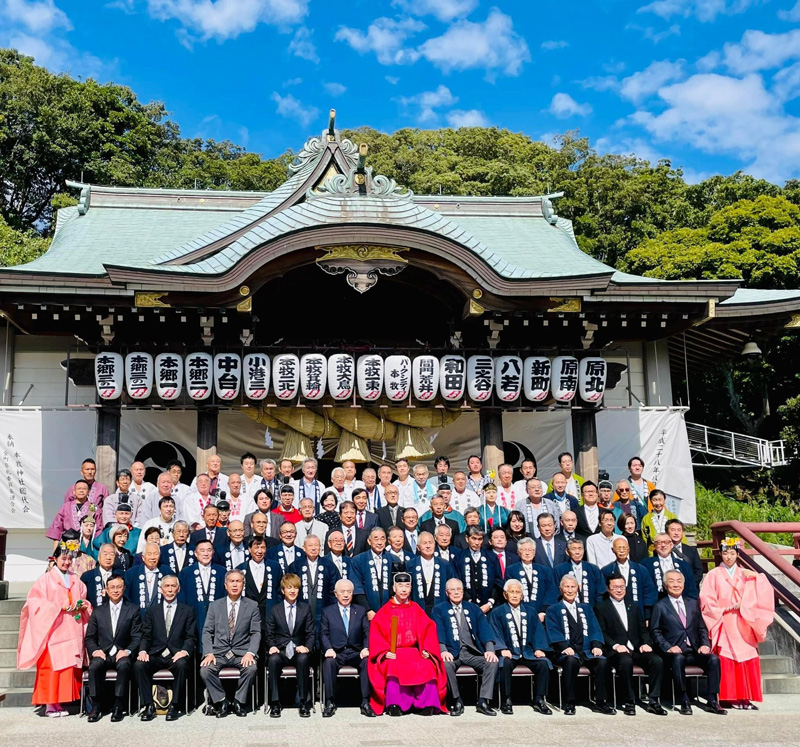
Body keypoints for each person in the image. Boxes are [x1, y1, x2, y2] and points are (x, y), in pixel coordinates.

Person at [17, 541, 92, 717]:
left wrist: (82, 605)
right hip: (52, 629)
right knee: (51, 668)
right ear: (55, 558)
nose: (66, 562)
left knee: (66, 669)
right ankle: (50, 704)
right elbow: (34, 603)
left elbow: (83, 598)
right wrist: (59, 605)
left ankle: (59, 704)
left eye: (69, 559)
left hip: (70, 628)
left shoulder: (76, 580)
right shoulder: (45, 579)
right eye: (63, 558)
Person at [699, 537, 775, 709]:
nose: (729, 557)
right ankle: (729, 697)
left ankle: (745, 697)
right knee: (728, 659)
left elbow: (761, 592)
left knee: (747, 658)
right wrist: (727, 607)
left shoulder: (745, 574)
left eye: (732, 553)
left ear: (738, 554)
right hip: (724, 620)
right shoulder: (713, 575)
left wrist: (757, 577)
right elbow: (706, 599)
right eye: (725, 553)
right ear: (721, 554)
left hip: (744, 622)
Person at [367, 572, 447, 716]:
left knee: (427, 665)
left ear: (411, 589)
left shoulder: (416, 608)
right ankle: (394, 704)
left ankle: (426, 704)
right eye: (400, 585)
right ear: (394, 588)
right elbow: (376, 632)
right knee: (392, 666)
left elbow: (429, 627)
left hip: (414, 651)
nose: (403, 589)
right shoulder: (385, 610)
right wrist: (384, 652)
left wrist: (427, 650)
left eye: (407, 586)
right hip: (393, 652)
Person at [650, 569, 727, 715]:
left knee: (713, 659)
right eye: (671, 581)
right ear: (666, 585)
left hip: (693, 650)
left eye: (679, 581)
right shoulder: (660, 605)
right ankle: (684, 698)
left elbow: (701, 627)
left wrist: (705, 644)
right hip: (673, 652)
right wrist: (668, 647)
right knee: (678, 659)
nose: (676, 585)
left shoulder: (692, 604)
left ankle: (712, 700)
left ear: (684, 585)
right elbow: (655, 631)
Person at [595, 572, 667, 716]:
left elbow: (642, 629)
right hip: (615, 650)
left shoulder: (633, 606)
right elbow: (601, 632)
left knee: (656, 661)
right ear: (608, 589)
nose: (619, 590)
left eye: (622, 586)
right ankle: (629, 701)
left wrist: (645, 643)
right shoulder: (601, 607)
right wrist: (615, 645)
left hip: (635, 648)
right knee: (625, 661)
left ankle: (654, 700)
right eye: (615, 587)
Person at [545, 574, 614, 716]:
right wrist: (563, 646)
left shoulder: (587, 609)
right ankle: (570, 702)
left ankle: (601, 701)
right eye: (567, 587)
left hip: (586, 650)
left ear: (578, 589)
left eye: (573, 587)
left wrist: (596, 645)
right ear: (560, 589)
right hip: (566, 651)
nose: (570, 590)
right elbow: (553, 631)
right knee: (570, 661)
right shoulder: (553, 610)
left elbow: (595, 628)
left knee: (602, 662)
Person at [134, 574, 197, 721]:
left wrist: (184, 651)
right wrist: (143, 651)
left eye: (173, 586)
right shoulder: (152, 611)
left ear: (178, 589)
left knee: (182, 665)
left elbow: (191, 637)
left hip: (176, 654)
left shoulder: (187, 611)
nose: (170, 590)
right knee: (139, 665)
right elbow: (146, 635)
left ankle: (174, 705)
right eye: (166, 586)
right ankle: (149, 705)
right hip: (156, 654)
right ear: (161, 589)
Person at [433, 578, 499, 716]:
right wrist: (443, 650)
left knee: (491, 662)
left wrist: (490, 650)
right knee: (446, 664)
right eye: (453, 590)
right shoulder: (439, 609)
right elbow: (438, 632)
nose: (456, 593)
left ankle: (483, 701)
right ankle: (457, 700)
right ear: (447, 592)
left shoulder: (473, 608)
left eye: (459, 589)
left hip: (472, 652)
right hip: (452, 652)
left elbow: (485, 630)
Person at [199, 569, 261, 717]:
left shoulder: (252, 605)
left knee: (251, 668)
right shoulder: (215, 605)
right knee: (205, 670)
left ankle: (239, 701)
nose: (235, 585)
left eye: (238, 581)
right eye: (231, 581)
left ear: (243, 584)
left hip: (241, 653)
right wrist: (208, 653)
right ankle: (222, 701)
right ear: (225, 585)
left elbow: (256, 632)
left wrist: (250, 653)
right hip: (219, 653)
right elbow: (207, 631)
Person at [84, 573, 142, 722]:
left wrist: (127, 651)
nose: (116, 590)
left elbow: (137, 637)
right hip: (103, 653)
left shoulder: (133, 609)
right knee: (95, 665)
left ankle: (119, 705)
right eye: (112, 587)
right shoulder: (98, 611)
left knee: (124, 665)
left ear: (124, 589)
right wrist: (95, 651)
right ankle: (96, 706)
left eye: (119, 587)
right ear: (107, 590)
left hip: (122, 653)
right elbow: (90, 637)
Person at [489, 579, 552, 715]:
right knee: (504, 663)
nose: (515, 595)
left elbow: (538, 631)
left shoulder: (530, 611)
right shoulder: (497, 612)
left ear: (522, 595)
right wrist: (502, 648)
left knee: (543, 664)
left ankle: (539, 699)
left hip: (528, 652)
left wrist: (538, 648)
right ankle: (506, 700)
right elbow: (495, 632)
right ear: (505, 595)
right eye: (512, 592)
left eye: (518, 592)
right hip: (509, 652)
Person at [321, 579, 374, 718]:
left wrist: (366, 648)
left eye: (349, 592)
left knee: (367, 661)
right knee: (328, 662)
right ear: (335, 594)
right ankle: (330, 702)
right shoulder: (328, 611)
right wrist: (328, 648)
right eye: (342, 592)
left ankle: (365, 702)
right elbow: (323, 634)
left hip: (355, 652)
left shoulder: (360, 610)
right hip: (336, 652)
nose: (345, 595)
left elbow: (367, 632)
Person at [265, 573, 315, 717]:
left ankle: (304, 702)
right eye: (289, 588)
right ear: (283, 590)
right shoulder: (275, 609)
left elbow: (311, 634)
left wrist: (307, 647)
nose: (292, 591)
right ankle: (275, 702)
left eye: (295, 588)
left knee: (304, 659)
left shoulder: (305, 609)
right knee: (273, 660)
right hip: (280, 650)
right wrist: (272, 646)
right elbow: (269, 634)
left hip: (298, 649)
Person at [178, 539, 227, 638]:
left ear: (213, 552)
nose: (206, 554)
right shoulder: (186, 572)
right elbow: (181, 598)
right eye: (202, 550)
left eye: (209, 550)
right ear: (195, 553)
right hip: (193, 619)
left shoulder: (222, 571)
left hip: (217, 620)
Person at [601, 537, 658, 619]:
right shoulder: (607, 570)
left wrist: (647, 616)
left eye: (624, 548)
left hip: (639, 613)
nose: (621, 550)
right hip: (615, 614)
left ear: (628, 549)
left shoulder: (641, 569)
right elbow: (603, 593)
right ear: (613, 550)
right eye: (618, 548)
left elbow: (649, 592)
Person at [505, 537, 556, 615]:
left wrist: (543, 611)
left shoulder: (544, 570)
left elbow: (551, 591)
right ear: (518, 552)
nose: (527, 553)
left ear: (534, 552)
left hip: (542, 613)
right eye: (524, 550)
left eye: (530, 550)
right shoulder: (511, 570)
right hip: (519, 612)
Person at [409, 532, 455, 615]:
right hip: (416, 611)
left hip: (440, 611)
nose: (428, 546)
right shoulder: (410, 565)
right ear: (418, 547)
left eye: (430, 542)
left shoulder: (445, 565)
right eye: (424, 543)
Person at [352, 527, 392, 618]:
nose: (379, 542)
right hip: (367, 613)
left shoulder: (393, 559)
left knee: (393, 632)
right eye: (376, 539)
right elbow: (357, 587)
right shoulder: (358, 560)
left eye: (382, 538)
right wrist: (367, 610)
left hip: (391, 613)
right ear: (369, 541)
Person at [643, 533, 699, 599]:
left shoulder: (683, 564)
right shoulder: (646, 564)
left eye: (666, 542)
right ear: (654, 546)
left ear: (671, 545)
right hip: (656, 605)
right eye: (659, 543)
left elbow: (691, 589)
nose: (663, 545)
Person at [48, 479, 100, 548]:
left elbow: (99, 527)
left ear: (88, 492)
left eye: (84, 489)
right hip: (68, 543)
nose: (81, 490)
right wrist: (55, 552)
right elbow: (57, 527)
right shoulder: (66, 506)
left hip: (87, 544)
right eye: (79, 489)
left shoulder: (93, 507)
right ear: (74, 492)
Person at [553, 538, 605, 608]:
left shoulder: (593, 569)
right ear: (567, 552)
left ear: (583, 551)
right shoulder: (559, 570)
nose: (577, 552)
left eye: (580, 549)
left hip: (592, 609)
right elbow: (556, 593)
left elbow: (600, 592)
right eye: (574, 549)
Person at [238, 535, 282, 616]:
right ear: (250, 549)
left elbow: (280, 591)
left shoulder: (275, 567)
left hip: (270, 614)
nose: (260, 551)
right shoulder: (240, 569)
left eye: (262, 547)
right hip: (247, 615)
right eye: (256, 547)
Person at [458, 526, 499, 613]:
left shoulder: (492, 557)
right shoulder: (459, 558)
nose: (477, 542)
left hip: (489, 607)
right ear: (467, 538)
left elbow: (498, 581)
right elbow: (458, 581)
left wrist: (489, 603)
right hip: (466, 606)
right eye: (474, 538)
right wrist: (468, 601)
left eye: (480, 539)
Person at [124, 543, 166, 618]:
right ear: (143, 557)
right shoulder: (132, 573)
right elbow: (126, 598)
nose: (152, 557)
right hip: (138, 619)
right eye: (149, 554)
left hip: (160, 619)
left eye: (155, 554)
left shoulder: (166, 572)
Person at [318, 530, 352, 607]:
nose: (339, 543)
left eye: (341, 540)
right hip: (328, 603)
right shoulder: (322, 561)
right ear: (329, 544)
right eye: (335, 540)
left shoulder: (350, 561)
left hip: (347, 601)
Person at [667, 519, 704, 588]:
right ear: (667, 532)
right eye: (673, 530)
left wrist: (688, 585)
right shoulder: (663, 551)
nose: (676, 533)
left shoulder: (692, 550)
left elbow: (698, 571)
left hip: (689, 589)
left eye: (679, 530)